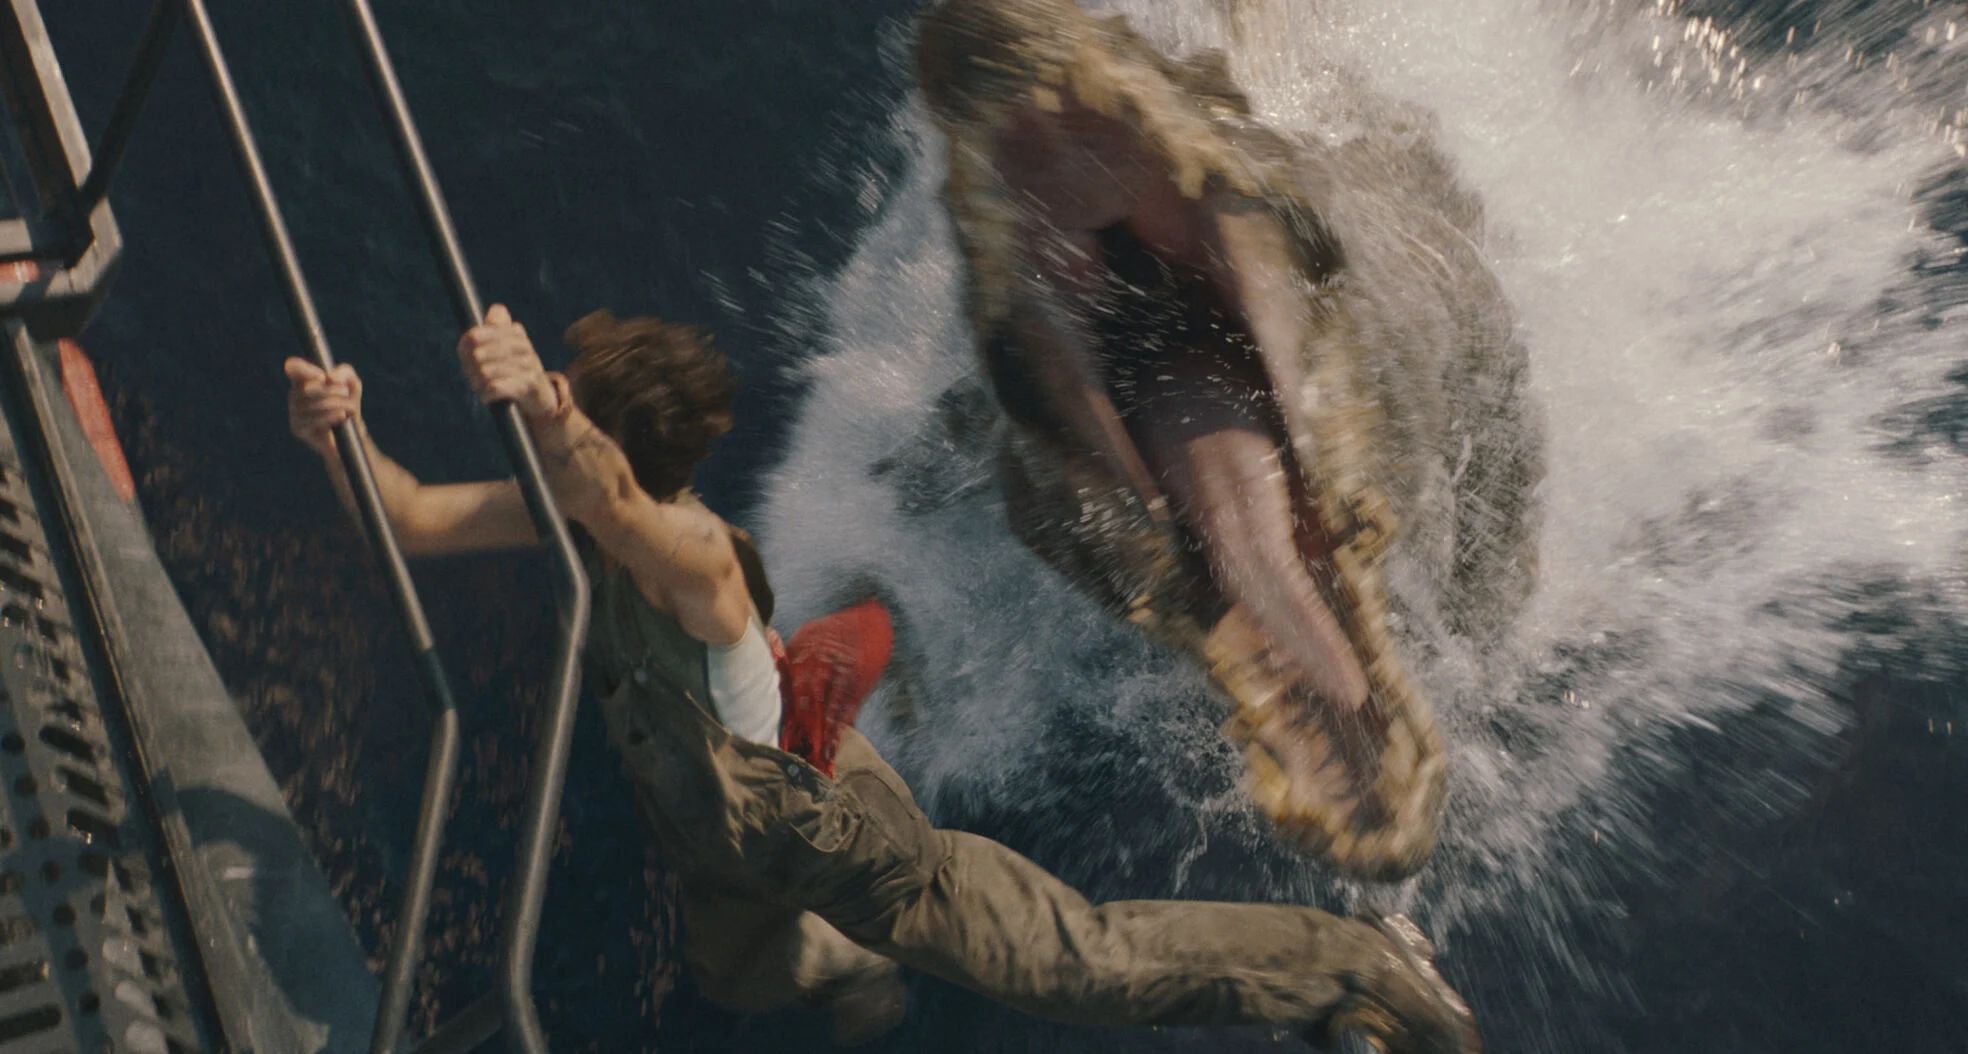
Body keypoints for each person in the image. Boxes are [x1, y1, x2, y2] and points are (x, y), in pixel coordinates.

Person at [284, 305, 1481, 1052]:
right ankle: (855, 974)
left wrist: (546, 403)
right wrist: (337, 432)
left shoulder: (696, 558)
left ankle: (1360, 966)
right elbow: (413, 515)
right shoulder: (576, 514)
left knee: (1080, 961)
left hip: (849, 844)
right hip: (720, 833)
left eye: (572, 416)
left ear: (609, 447)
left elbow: (607, 492)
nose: (548, 445)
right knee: (739, 972)